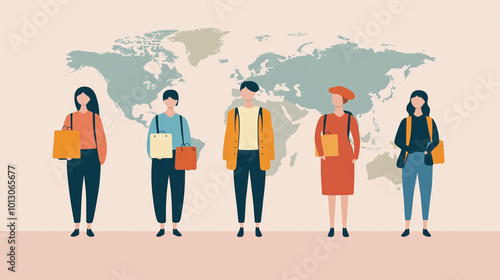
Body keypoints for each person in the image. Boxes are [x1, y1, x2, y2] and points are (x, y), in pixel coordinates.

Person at [223, 81, 275, 237]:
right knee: (240, 190)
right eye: (244, 91)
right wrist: (227, 158)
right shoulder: (234, 113)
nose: (247, 94)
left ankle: (257, 225)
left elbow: (269, 135)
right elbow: (229, 135)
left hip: (259, 155)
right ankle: (241, 225)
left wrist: (270, 157)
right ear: (240, 92)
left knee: (258, 191)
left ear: (254, 93)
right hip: (238, 155)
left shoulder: (263, 112)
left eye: (250, 91)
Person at [314, 86, 360, 238]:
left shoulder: (350, 119)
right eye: (333, 97)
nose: (335, 99)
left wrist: (355, 156)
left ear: (343, 100)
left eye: (338, 97)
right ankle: (332, 226)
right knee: (331, 194)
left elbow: (356, 137)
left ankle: (345, 226)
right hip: (329, 159)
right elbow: (316, 136)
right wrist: (321, 154)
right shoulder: (324, 118)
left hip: (346, 158)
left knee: (344, 194)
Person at [63, 86, 107, 237]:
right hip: (74, 156)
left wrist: (101, 158)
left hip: (92, 157)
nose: (81, 99)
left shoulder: (96, 117)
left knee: (92, 191)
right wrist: (66, 154)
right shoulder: (70, 117)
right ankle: (76, 226)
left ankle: (89, 226)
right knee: (74, 191)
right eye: (78, 96)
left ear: (90, 99)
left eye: (84, 96)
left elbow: (101, 138)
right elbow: (64, 137)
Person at [395, 90, 439, 237]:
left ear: (424, 101)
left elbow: (436, 140)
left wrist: (427, 151)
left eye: (419, 98)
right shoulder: (405, 121)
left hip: (425, 160)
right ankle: (407, 227)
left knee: (426, 192)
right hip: (409, 159)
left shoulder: (429, 121)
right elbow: (398, 140)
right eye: (413, 98)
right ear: (410, 101)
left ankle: (424, 227)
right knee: (408, 193)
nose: (416, 100)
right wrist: (409, 149)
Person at [147, 90, 191, 237]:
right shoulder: (157, 120)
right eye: (168, 99)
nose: (170, 101)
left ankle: (175, 225)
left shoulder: (181, 120)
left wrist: (186, 153)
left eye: (173, 99)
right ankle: (161, 226)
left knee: (178, 191)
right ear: (164, 101)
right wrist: (154, 154)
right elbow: (150, 140)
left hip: (178, 157)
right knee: (159, 191)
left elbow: (187, 141)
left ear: (177, 101)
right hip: (159, 158)